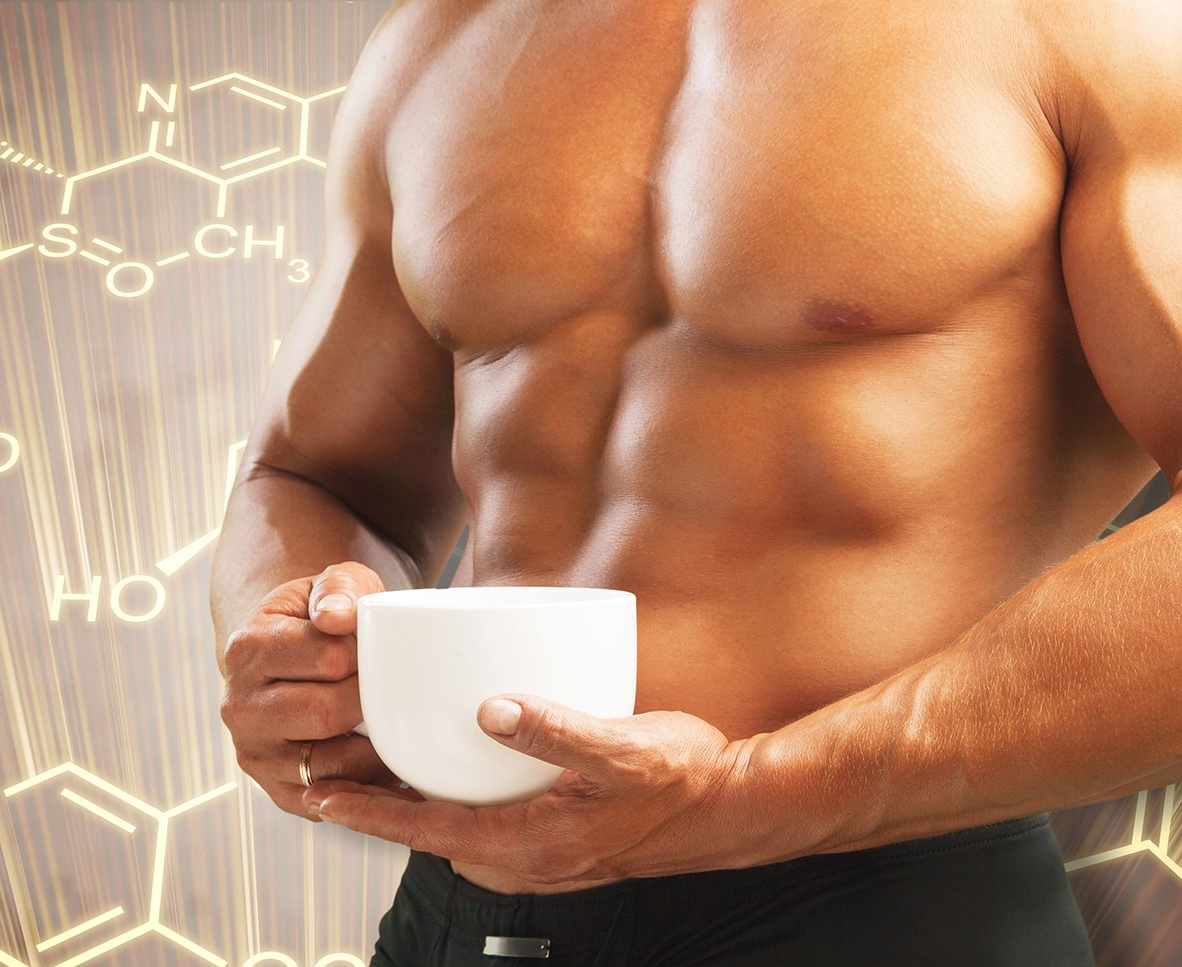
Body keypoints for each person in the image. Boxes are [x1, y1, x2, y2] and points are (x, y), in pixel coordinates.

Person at [211, 0, 1182, 962]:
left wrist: (744, 793)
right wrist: (296, 647)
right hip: (469, 906)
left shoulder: (1085, 30)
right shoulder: (440, 37)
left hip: (877, 901)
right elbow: (311, 474)